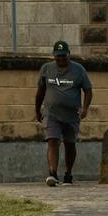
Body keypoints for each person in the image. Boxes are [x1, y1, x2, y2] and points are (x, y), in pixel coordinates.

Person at [34, 39, 93, 186]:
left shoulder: (78, 70)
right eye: (58, 56)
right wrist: (37, 109)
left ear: (69, 55)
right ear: (54, 56)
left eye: (63, 56)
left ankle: (68, 173)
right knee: (53, 140)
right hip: (51, 112)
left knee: (69, 144)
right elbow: (40, 92)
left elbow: (88, 90)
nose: (61, 59)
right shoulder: (46, 69)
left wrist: (85, 108)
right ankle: (52, 173)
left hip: (72, 114)